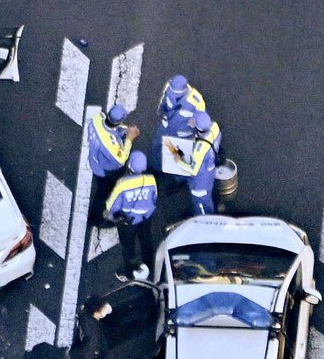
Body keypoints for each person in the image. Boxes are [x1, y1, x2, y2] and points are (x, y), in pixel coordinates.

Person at [156, 108, 223, 216]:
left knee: (202, 206)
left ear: (198, 129)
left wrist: (179, 161)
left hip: (200, 182)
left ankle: (206, 220)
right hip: (209, 169)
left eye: (193, 121)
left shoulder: (200, 150)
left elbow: (193, 170)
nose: (191, 121)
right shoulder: (215, 128)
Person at [104, 150, 158, 282]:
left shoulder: (123, 184)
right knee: (146, 241)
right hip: (146, 218)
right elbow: (154, 197)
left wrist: (108, 215)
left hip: (128, 221)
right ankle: (151, 266)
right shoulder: (151, 180)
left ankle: (129, 272)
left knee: (128, 248)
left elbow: (111, 206)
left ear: (130, 165)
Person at [87, 104, 140, 221]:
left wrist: (124, 131)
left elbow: (110, 132)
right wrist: (129, 139)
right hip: (105, 171)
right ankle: (94, 218)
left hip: (95, 161)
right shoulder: (109, 146)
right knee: (103, 193)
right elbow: (121, 159)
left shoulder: (97, 119)